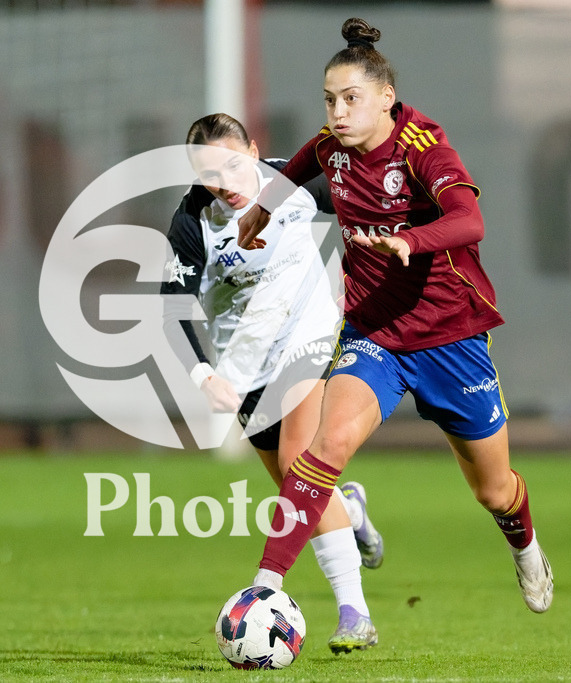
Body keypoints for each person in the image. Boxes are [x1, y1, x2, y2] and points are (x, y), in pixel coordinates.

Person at [237, 18, 554, 616]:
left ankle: (526, 546)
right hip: (374, 333)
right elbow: (306, 158)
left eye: (351, 98)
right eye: (330, 99)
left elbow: (470, 221)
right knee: (326, 447)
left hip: (449, 337)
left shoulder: (423, 148)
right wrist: (264, 203)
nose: (337, 111)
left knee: (493, 489)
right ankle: (267, 589)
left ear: (386, 98)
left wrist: (415, 239)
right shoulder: (333, 147)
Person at [161, 113, 384, 653]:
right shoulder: (192, 223)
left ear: (255, 151)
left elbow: (368, 210)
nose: (225, 183)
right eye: (208, 173)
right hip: (247, 368)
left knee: (296, 466)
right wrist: (202, 373)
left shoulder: (296, 183)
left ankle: (355, 613)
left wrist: (365, 273)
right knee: (297, 493)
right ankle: (348, 508)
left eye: (234, 166)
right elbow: (171, 311)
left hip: (309, 339)